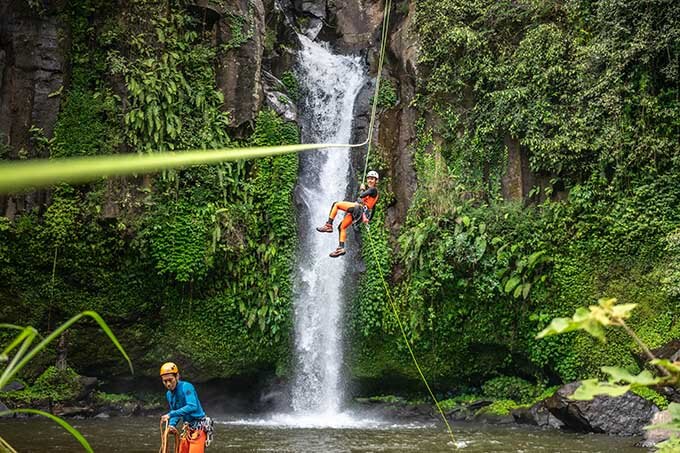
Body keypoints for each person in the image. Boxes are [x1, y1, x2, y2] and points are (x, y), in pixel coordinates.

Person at [316, 170, 380, 257]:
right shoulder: (374, 193)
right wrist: (369, 219)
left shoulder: (373, 189)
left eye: (372, 179)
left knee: (336, 204)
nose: (369, 180)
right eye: (368, 178)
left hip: (359, 209)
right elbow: (374, 208)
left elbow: (361, 195)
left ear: (376, 181)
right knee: (341, 227)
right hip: (361, 213)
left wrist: (362, 189)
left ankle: (328, 225)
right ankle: (341, 248)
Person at [160, 362, 213, 453]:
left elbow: (192, 406)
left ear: (177, 377)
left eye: (170, 380)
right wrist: (172, 425)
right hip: (187, 429)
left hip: (199, 427)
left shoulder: (186, 387)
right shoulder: (169, 394)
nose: (168, 384)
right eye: (165, 381)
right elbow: (175, 411)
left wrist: (170, 414)